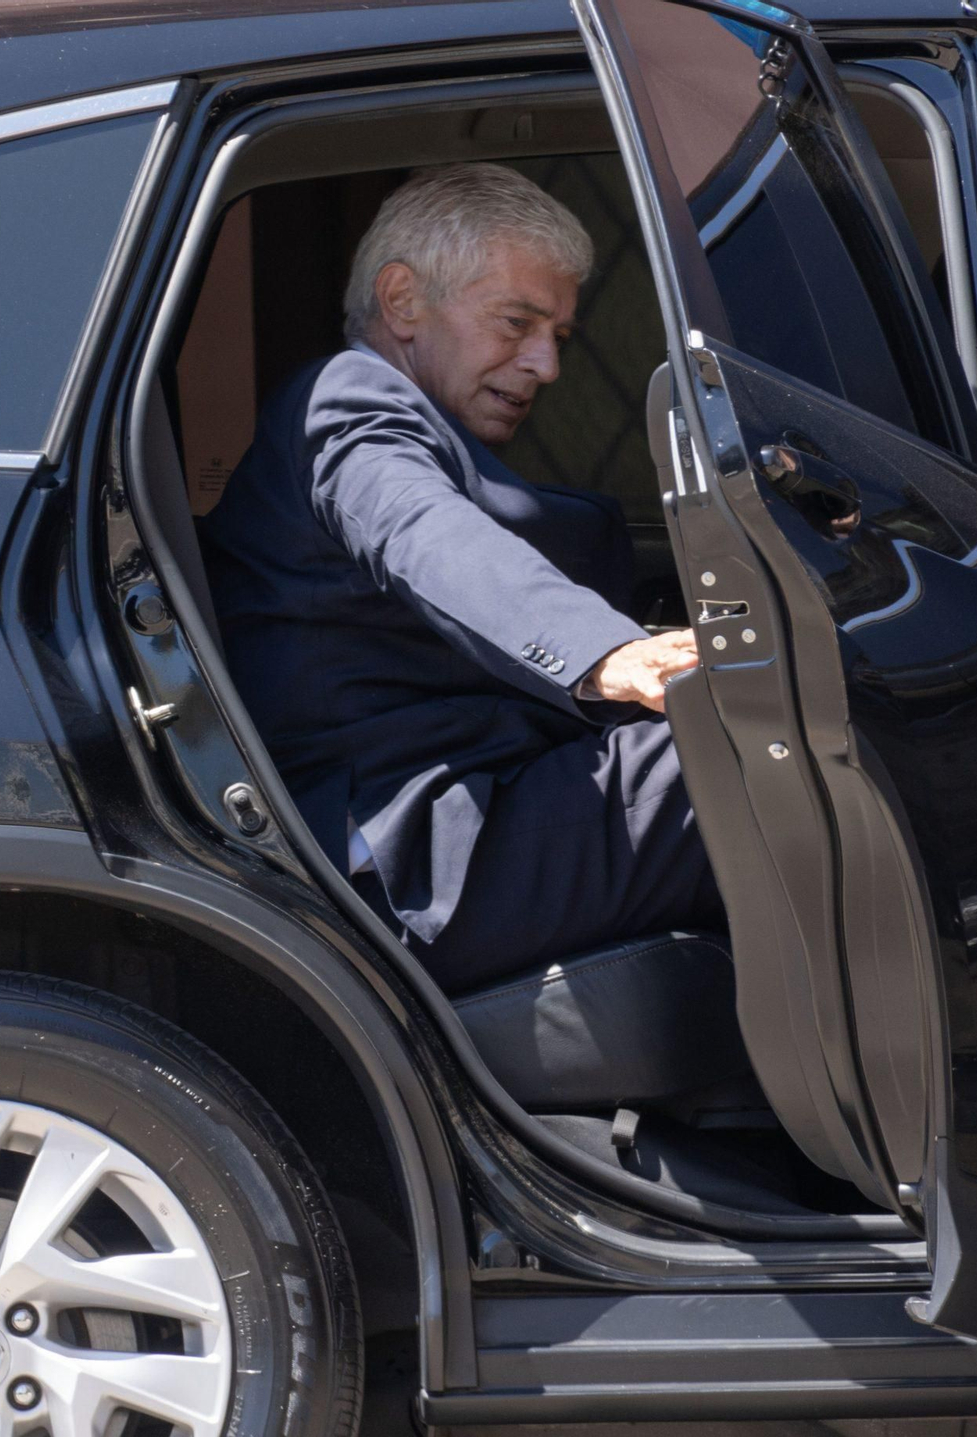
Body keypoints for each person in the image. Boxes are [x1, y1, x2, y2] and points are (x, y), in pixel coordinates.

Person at [198, 163, 723, 996]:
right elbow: (424, 535)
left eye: (559, 338)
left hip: (483, 806)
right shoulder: (348, 397)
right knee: (752, 742)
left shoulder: (423, 428)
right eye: (517, 323)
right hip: (413, 855)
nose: (546, 365)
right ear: (403, 300)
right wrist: (606, 655)